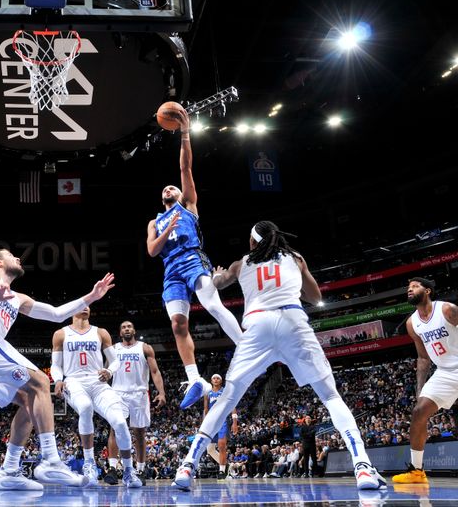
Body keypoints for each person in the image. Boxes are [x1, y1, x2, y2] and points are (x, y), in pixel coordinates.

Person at [171, 221, 385, 491]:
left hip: (257, 326)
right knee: (330, 396)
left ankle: (188, 465)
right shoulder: (295, 258)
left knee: (226, 400)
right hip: (292, 320)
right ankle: (362, 467)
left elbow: (218, 283)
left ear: (252, 242)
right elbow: (314, 295)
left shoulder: (242, 263)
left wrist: (217, 275)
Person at [0, 249, 114, 491]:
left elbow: (57, 314)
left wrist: (90, 297)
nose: (17, 258)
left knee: (30, 399)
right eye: (11, 255)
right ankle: (50, 459)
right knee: (39, 380)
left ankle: (9, 470)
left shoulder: (19, 298)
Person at [146, 105, 243, 409]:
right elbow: (152, 250)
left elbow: (185, 169)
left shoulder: (187, 205)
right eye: (165, 188)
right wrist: (166, 230)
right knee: (177, 324)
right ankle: (195, 379)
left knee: (212, 303)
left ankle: (245, 345)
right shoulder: (155, 222)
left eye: (171, 187)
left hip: (192, 259)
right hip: (170, 270)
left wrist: (185, 134)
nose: (169, 188)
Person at [51, 309, 143, 489]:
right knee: (85, 407)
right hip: (74, 381)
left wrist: (109, 371)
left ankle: (128, 471)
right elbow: (55, 364)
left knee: (119, 421)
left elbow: (115, 361)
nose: (86, 307)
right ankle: (89, 464)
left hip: (98, 383)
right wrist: (58, 380)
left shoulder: (100, 332)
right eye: (82, 303)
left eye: (89, 304)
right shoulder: (61, 334)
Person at [392, 277, 458, 484]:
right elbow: (422, 358)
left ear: (428, 291)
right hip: (445, 371)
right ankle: (417, 471)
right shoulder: (412, 323)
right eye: (408, 288)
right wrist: (420, 390)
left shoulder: (448, 310)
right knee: (419, 412)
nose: (409, 290)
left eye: (414, 286)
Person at [106, 320, 166, 482]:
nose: (126, 329)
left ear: (134, 330)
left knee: (139, 432)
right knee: (114, 428)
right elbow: (106, 372)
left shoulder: (145, 347)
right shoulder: (113, 349)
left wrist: (161, 392)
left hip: (139, 393)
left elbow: (155, 371)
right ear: (120, 333)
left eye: (129, 326)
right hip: (118, 392)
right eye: (123, 327)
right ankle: (112, 468)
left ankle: (140, 469)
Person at [202, 374, 238, 479]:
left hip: (222, 420)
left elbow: (232, 406)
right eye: (214, 378)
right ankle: (227, 466)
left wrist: (235, 422)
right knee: (210, 450)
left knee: (222, 446)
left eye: (218, 378)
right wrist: (205, 423)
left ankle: (222, 471)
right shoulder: (207, 393)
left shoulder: (225, 392)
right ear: (211, 380)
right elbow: (205, 409)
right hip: (211, 421)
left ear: (221, 381)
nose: (216, 379)